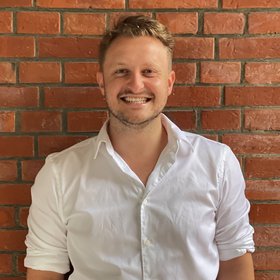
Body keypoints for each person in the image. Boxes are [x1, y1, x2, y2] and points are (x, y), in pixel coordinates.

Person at [24, 15, 255, 280]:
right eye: (121, 71)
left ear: (169, 83)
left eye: (149, 72)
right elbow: (45, 270)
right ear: (102, 82)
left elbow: (236, 260)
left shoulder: (218, 163)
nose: (136, 84)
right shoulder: (59, 173)